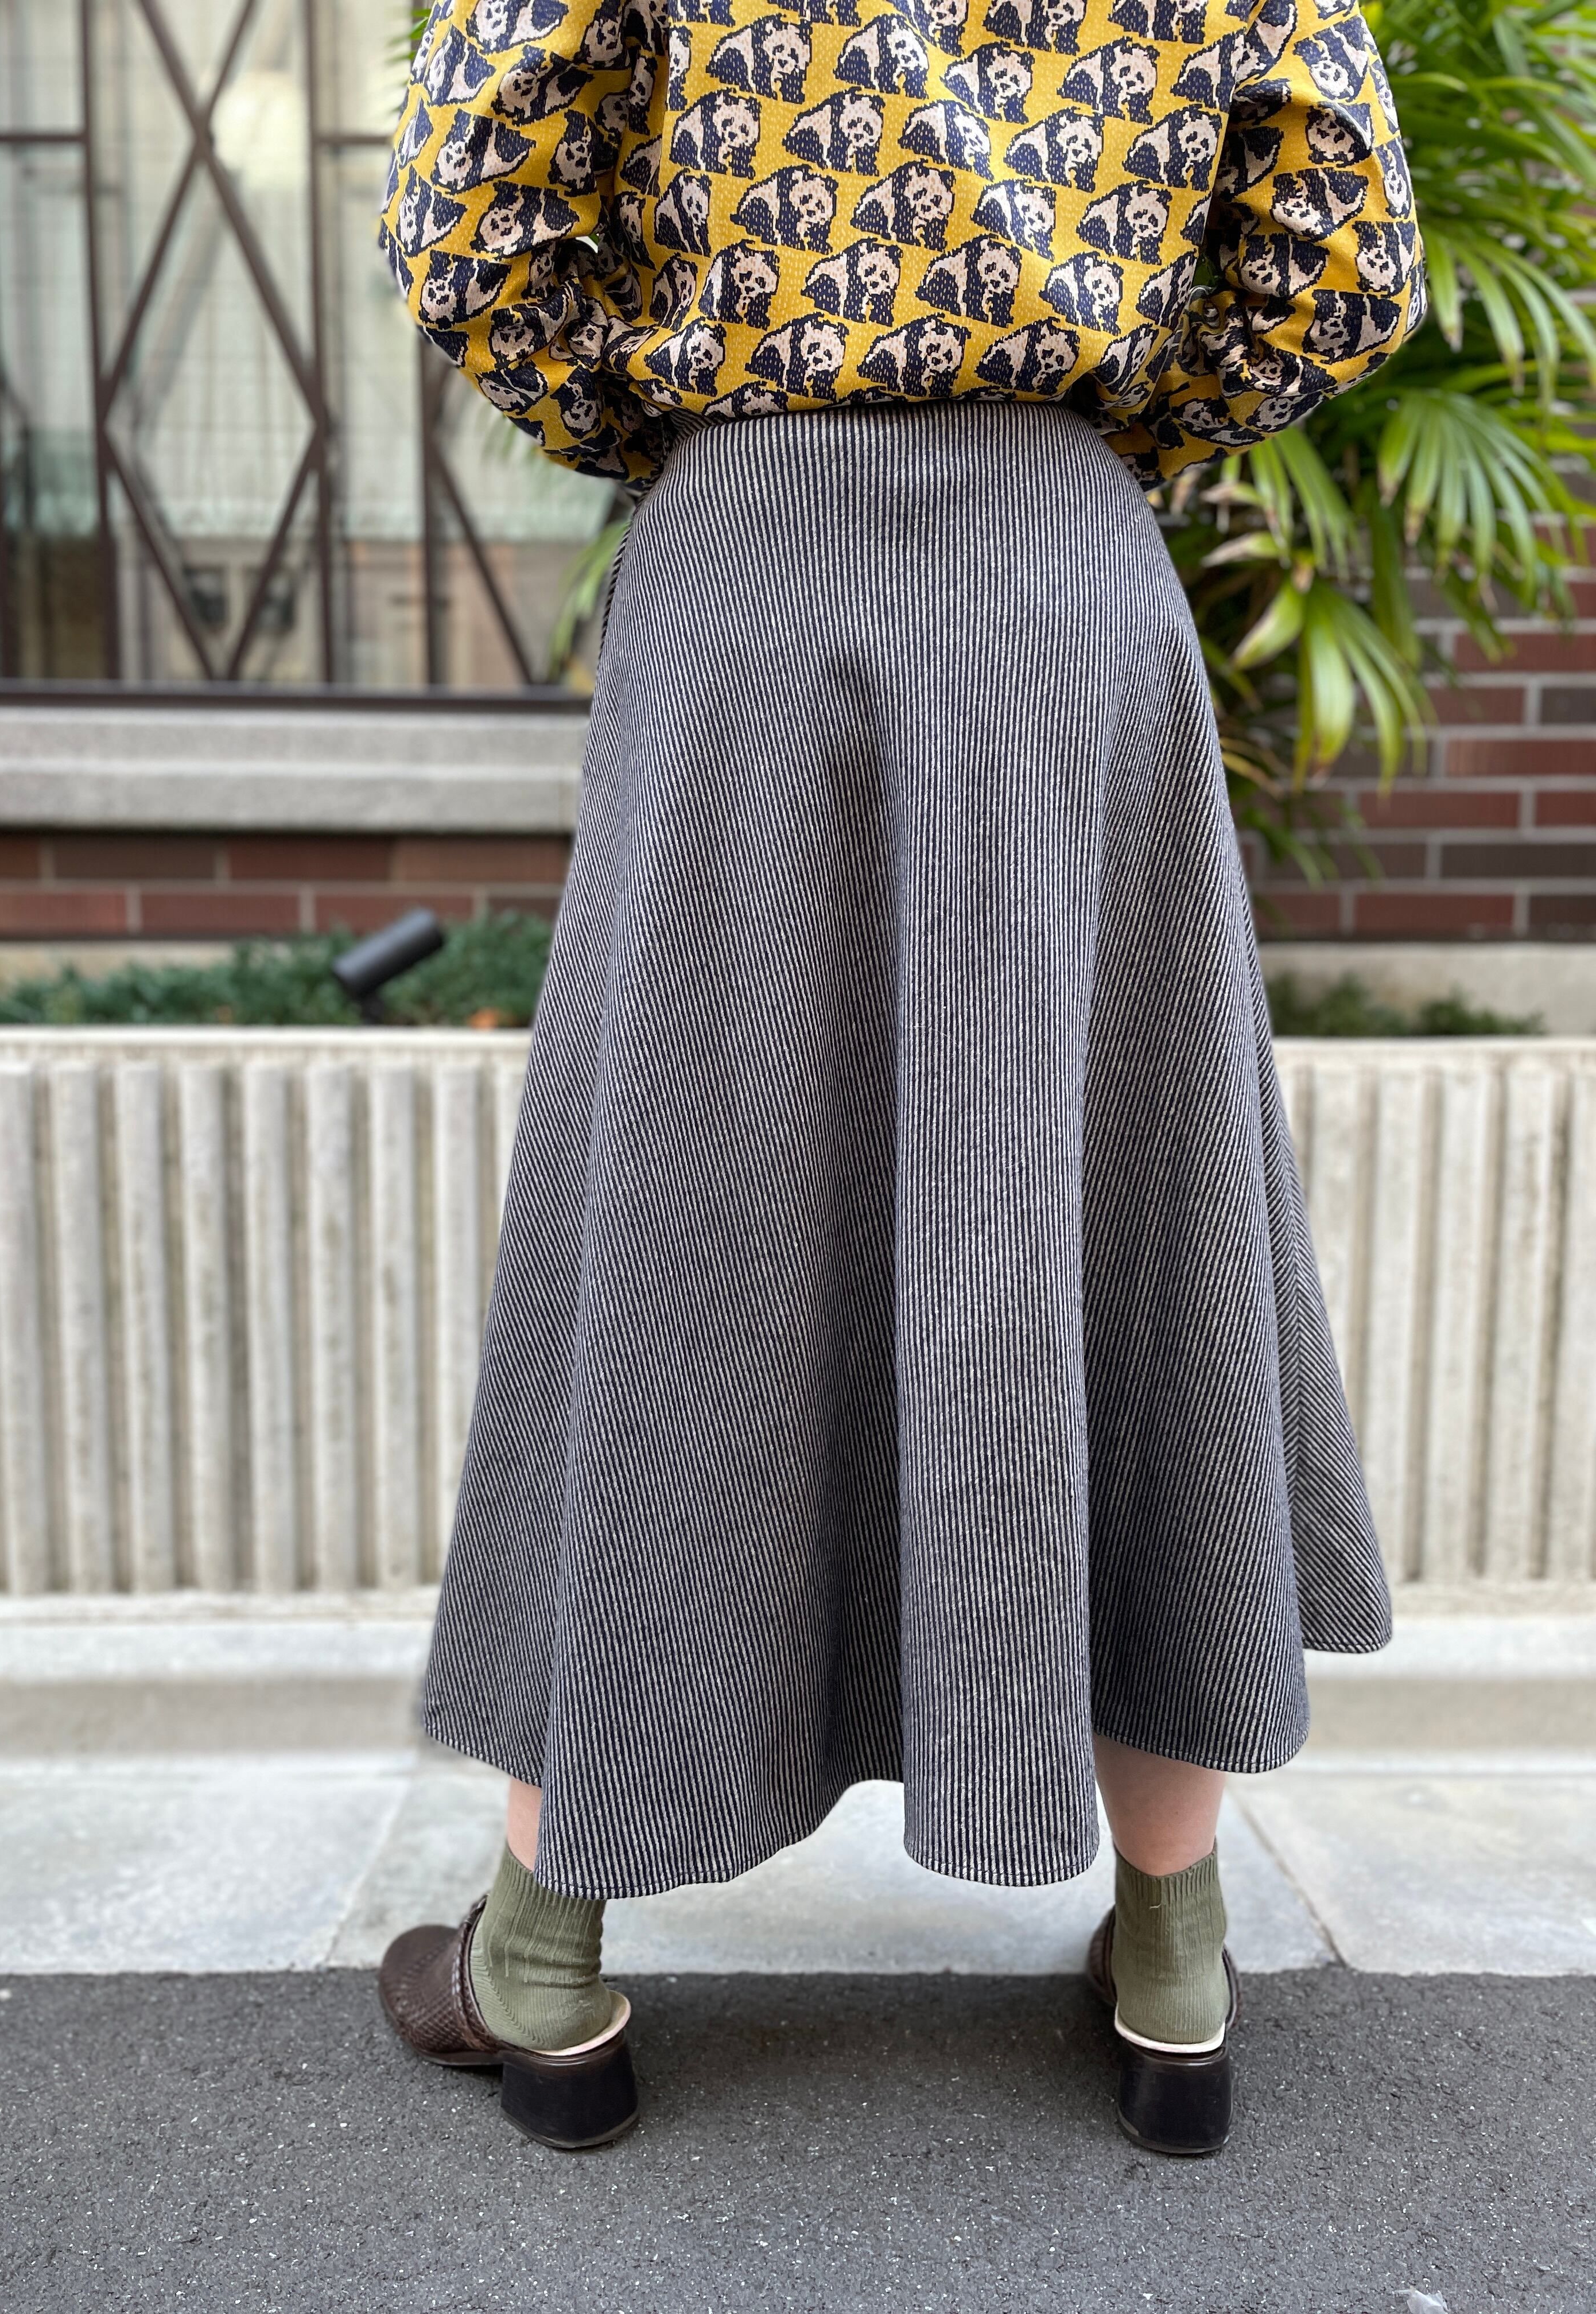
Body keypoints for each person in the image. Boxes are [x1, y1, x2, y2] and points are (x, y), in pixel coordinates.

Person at [374, 0, 1419, 2159]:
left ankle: (546, 1961)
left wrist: (674, 411)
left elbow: (475, 197)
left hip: (744, 576)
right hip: (1063, 578)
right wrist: (1091, 422)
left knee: (672, 1211)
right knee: (1124, 1211)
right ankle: (1174, 1954)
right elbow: (1343, 243)